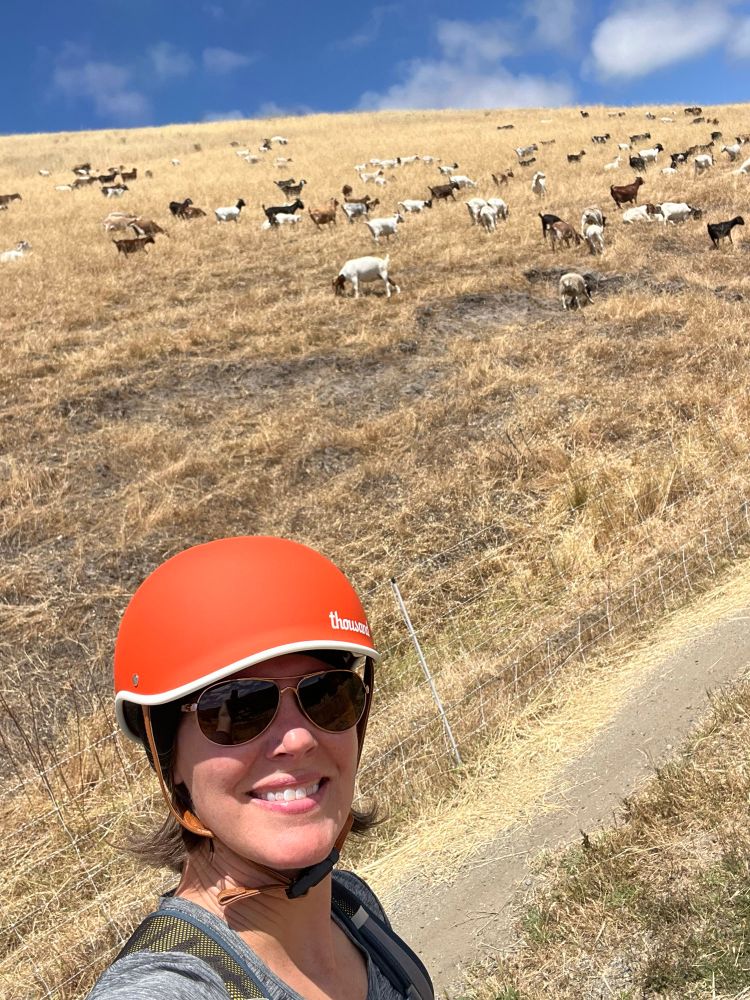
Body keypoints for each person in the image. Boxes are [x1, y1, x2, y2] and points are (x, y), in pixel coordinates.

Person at [87, 535, 432, 1000]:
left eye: (325, 695)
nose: (298, 738)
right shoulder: (171, 988)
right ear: (170, 761)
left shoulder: (352, 910)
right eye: (239, 707)